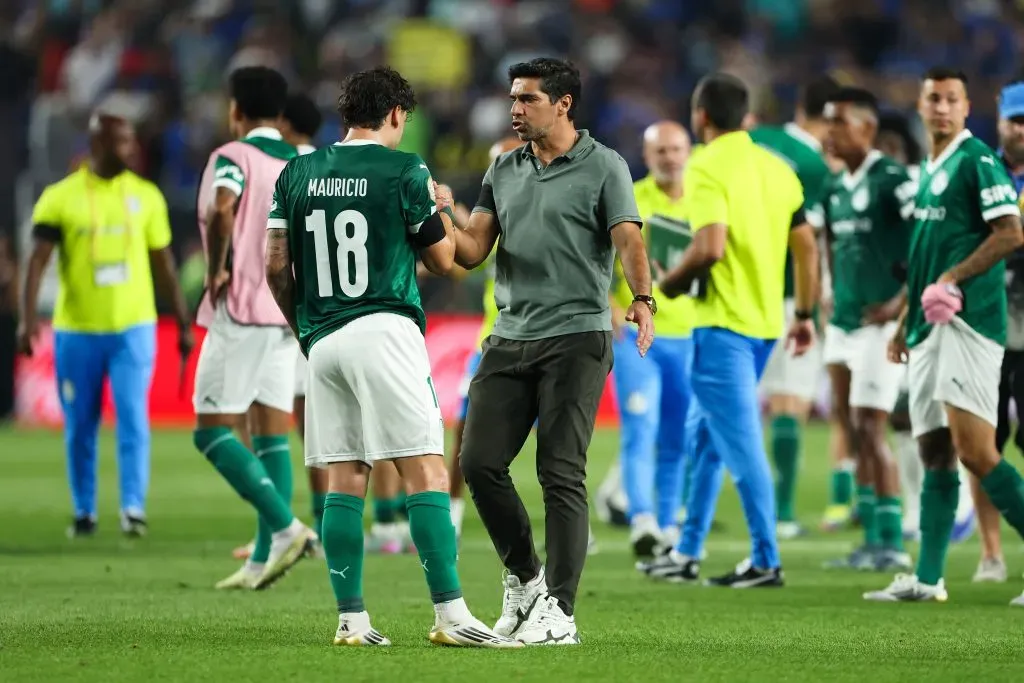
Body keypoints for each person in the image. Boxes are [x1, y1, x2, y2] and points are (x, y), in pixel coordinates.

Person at [265, 65, 518, 648]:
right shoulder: (406, 168)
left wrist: (305, 328)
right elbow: (442, 261)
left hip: (322, 339)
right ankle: (451, 616)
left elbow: (276, 266)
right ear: (398, 115)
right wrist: (442, 207)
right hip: (383, 327)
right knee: (424, 467)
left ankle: (351, 621)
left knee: (344, 477)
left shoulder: (296, 172)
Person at [446, 57, 653, 645]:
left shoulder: (604, 165)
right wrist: (438, 216)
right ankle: (525, 582)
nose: (515, 108)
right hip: (511, 336)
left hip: (577, 336)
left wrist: (641, 298)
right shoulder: (503, 171)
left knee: (560, 472)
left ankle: (559, 613)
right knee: (477, 463)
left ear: (563, 104)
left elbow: (628, 236)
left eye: (528, 98)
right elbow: (471, 251)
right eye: (513, 97)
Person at [643, 72, 819, 587]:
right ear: (745, 117)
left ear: (701, 118)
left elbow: (710, 246)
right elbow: (807, 246)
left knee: (741, 448)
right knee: (704, 438)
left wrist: (669, 286)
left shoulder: (705, 166)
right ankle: (687, 550)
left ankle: (766, 558)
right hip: (766, 324)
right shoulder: (776, 167)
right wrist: (804, 314)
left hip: (723, 328)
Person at [865, 67, 1024, 605]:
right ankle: (928, 579)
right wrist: (906, 316)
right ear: (920, 104)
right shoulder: (931, 167)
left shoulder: (976, 159)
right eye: (933, 98)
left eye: (952, 99)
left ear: (966, 105)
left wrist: (954, 280)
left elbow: (1011, 233)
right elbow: (928, 253)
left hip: (968, 324)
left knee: (977, 451)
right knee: (933, 448)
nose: (941, 107)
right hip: (928, 326)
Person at [19, 113, 193, 538]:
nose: (130, 150)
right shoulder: (60, 197)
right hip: (76, 329)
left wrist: (184, 321)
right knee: (81, 424)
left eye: (132, 142)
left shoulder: (146, 196)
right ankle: (84, 511)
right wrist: (26, 321)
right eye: (121, 143)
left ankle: (133, 508)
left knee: (133, 417)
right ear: (97, 144)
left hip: (134, 327)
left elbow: (164, 264)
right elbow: (37, 263)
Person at [191, 67, 315, 591]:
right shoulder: (308, 164)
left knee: (212, 430)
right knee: (270, 436)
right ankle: (262, 558)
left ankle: (287, 529)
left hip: (242, 307)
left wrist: (217, 265)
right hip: (288, 314)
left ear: (236, 109)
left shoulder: (234, 157)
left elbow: (223, 207)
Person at [818, 88, 915, 572]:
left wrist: (901, 301)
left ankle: (892, 541)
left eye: (838, 123)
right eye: (827, 123)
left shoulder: (893, 179)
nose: (829, 133)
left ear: (867, 128)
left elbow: (926, 239)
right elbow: (834, 243)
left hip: (880, 327)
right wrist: (831, 290)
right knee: (851, 425)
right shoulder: (837, 187)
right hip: (843, 321)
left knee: (872, 428)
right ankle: (872, 538)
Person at [231, 92, 329, 561]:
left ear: (286, 124)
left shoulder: (289, 169)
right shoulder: (329, 165)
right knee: (316, 429)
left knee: (267, 423)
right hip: (322, 311)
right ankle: (319, 524)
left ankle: (279, 528)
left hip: (286, 313)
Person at [749, 76, 839, 538]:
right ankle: (781, 513)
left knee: (727, 405)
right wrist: (818, 300)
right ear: (827, 118)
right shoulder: (814, 165)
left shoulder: (753, 139)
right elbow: (811, 243)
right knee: (790, 401)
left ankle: (684, 510)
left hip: (736, 290)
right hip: (787, 294)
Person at [611, 120, 694, 557]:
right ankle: (642, 518)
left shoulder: (706, 199)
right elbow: (596, 257)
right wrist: (607, 300)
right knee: (640, 426)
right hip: (637, 336)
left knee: (677, 435)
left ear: (689, 151)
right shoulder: (631, 198)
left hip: (690, 335)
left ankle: (668, 522)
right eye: (660, 150)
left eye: (676, 149)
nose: (669, 157)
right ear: (647, 156)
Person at [964, 80, 1024, 583]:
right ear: (1000, 121)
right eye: (1016, 119)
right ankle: (990, 553)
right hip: (984, 326)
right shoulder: (979, 171)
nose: (1022, 129)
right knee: (984, 443)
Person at [448, 136, 519, 539]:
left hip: (544, 340)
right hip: (490, 344)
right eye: (495, 164)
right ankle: (453, 513)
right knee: (464, 427)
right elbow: (460, 267)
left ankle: (566, 519)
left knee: (558, 439)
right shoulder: (489, 221)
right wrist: (453, 223)